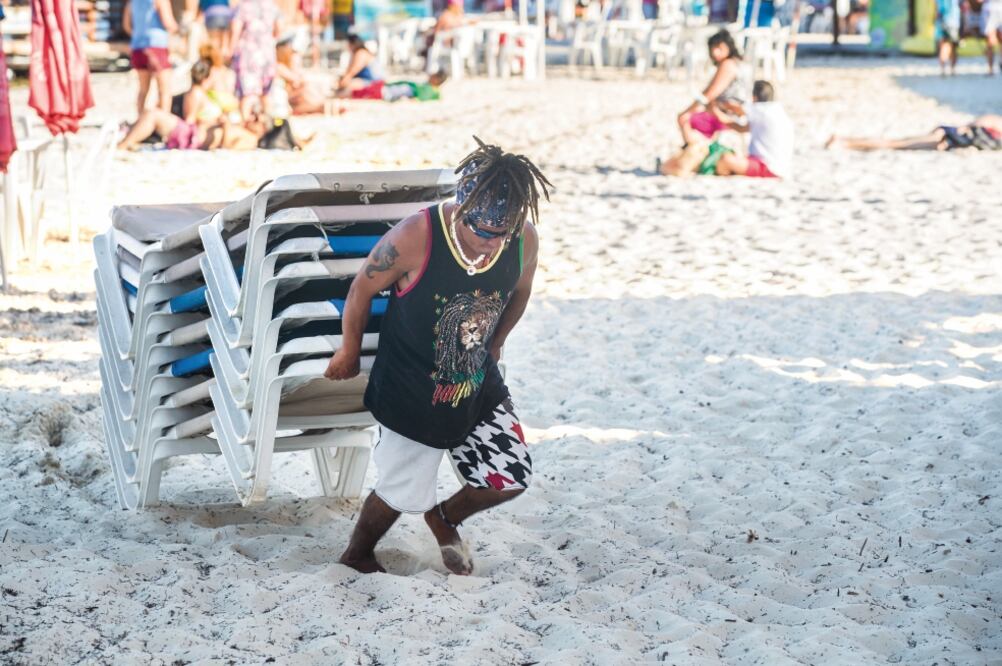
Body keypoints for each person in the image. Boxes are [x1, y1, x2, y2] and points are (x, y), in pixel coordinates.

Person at [326, 138, 552, 576]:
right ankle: (357, 553)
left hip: (475, 380)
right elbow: (362, 289)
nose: (489, 243)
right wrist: (349, 349)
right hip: (411, 383)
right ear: (462, 210)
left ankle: (444, 517)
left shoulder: (521, 240)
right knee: (400, 490)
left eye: (499, 234)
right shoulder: (417, 234)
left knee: (507, 477)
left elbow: (521, 292)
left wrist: (499, 339)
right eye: (481, 232)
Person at [118, 60, 268, 151]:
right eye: (254, 114)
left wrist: (225, 125)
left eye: (256, 119)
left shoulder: (251, 139)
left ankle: (124, 143)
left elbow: (230, 147)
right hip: (193, 133)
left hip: (191, 136)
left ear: (262, 129)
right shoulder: (199, 93)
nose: (251, 117)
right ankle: (127, 140)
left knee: (153, 115)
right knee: (152, 114)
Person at [673, 30, 748, 150]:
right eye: (713, 48)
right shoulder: (736, 63)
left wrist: (687, 111)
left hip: (728, 115)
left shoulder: (728, 65)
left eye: (719, 47)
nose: (715, 52)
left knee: (685, 119)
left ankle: (695, 153)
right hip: (732, 113)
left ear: (728, 46)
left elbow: (709, 94)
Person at [713, 80, 794, 179]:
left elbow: (733, 106)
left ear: (754, 97)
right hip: (779, 166)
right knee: (727, 158)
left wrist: (713, 102)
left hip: (767, 167)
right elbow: (741, 129)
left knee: (724, 160)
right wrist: (717, 114)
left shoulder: (760, 109)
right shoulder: (776, 110)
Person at [123, 0, 179, 116]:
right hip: (156, 46)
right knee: (164, 90)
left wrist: (138, 34)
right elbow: (168, 22)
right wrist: (177, 28)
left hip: (137, 47)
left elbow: (127, 26)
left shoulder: (132, 2)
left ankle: (140, 119)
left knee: (143, 89)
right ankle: (163, 122)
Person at [826, 115, 1002, 151]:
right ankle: (844, 141)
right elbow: (972, 126)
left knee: (894, 143)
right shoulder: (996, 123)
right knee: (894, 144)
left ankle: (845, 141)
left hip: (947, 137)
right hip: (946, 137)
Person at [231, 0, 282, 120]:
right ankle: (268, 127)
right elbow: (279, 30)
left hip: (248, 55)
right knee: (266, 94)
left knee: (247, 94)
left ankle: (245, 126)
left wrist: (231, 49)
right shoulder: (272, 6)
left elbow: (235, 30)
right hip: (268, 54)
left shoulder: (243, 6)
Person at [276, 34, 336, 115]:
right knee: (307, 88)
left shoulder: (287, 62)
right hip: (286, 98)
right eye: (288, 47)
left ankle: (321, 106)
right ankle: (321, 106)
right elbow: (296, 79)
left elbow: (297, 77)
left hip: (292, 95)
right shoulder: (279, 66)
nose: (291, 50)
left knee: (309, 87)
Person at [935, 0, 961, 76]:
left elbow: (938, 7)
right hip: (952, 21)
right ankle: (952, 69)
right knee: (952, 46)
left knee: (943, 45)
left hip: (942, 21)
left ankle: (943, 69)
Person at [982, 0, 1002, 74]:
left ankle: (990, 68)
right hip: (996, 9)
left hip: (990, 9)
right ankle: (998, 61)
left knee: (990, 41)